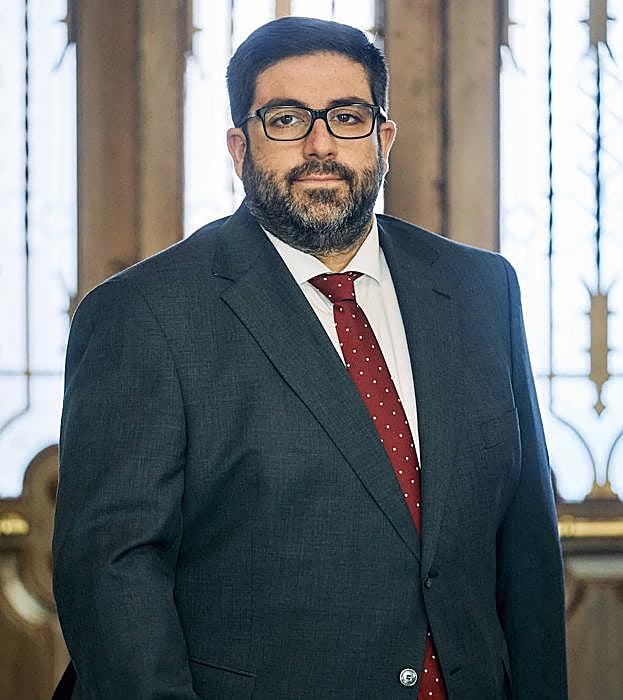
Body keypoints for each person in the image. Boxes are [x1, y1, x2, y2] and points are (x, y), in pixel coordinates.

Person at [52, 16, 568, 700]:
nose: (320, 145)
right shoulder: (144, 313)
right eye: (287, 119)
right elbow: (112, 577)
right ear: (239, 147)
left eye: (348, 117)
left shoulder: (479, 290)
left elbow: (526, 552)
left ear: (384, 141)